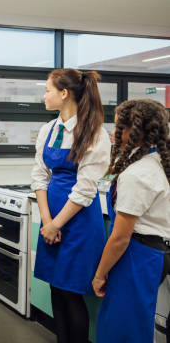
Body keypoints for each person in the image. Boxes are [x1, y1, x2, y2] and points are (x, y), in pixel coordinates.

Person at [30, 68, 111, 343]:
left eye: (47, 90)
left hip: (77, 223)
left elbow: (85, 189)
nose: (44, 95)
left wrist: (56, 223)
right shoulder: (49, 129)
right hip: (50, 217)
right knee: (56, 287)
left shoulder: (95, 133)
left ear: (64, 94)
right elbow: (40, 177)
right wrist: (46, 220)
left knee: (71, 292)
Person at [93, 99, 170, 343]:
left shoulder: (138, 174)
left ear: (132, 130)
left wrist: (99, 274)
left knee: (123, 330)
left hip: (137, 255)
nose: (113, 132)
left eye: (117, 126)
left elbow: (120, 237)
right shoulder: (157, 162)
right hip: (152, 252)